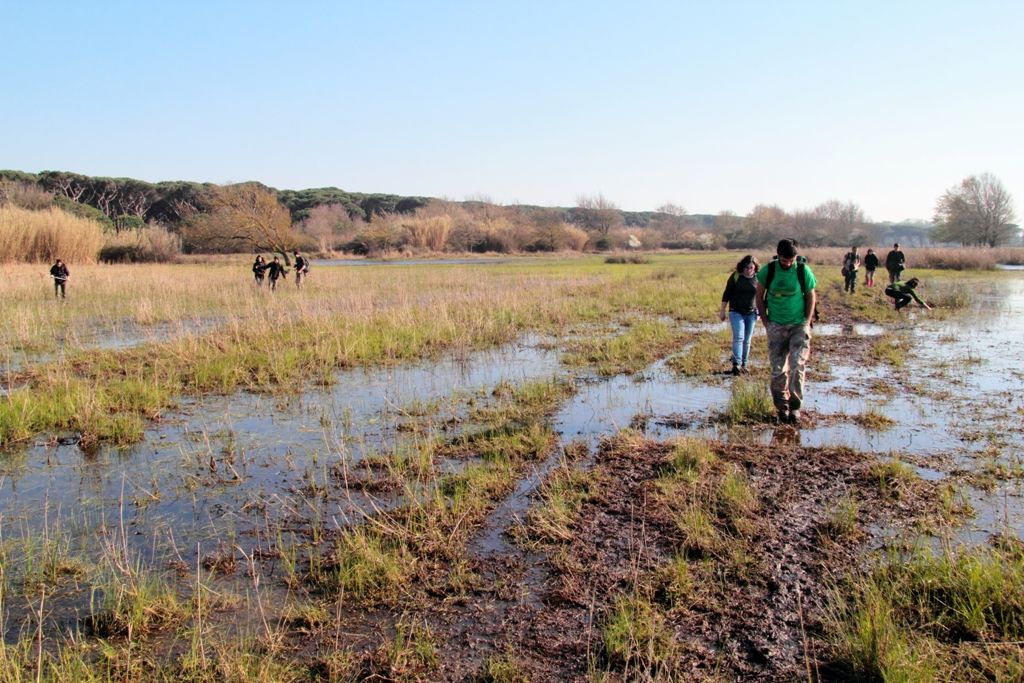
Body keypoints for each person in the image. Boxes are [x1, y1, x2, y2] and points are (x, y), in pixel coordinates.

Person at [755, 239, 817, 426]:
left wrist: (806, 321)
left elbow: (811, 295)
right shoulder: (769, 270)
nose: (788, 263)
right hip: (776, 325)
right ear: (778, 256)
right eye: (784, 260)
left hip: (798, 325)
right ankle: (782, 407)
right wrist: (766, 322)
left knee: (797, 365)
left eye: (791, 260)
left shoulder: (802, 270)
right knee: (778, 369)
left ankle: (795, 407)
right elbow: (759, 295)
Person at [719, 255, 760, 375]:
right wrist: (722, 310)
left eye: (751, 268)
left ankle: (744, 365)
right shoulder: (736, 277)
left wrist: (760, 312)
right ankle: (736, 364)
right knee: (739, 337)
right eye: (746, 267)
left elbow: (761, 296)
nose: (748, 270)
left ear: (755, 268)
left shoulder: (758, 279)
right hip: (736, 312)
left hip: (751, 313)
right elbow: (727, 293)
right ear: (742, 267)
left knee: (747, 340)